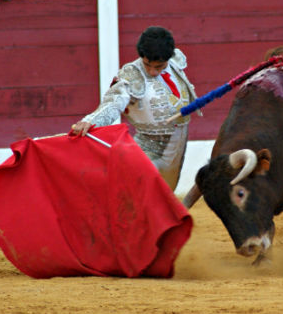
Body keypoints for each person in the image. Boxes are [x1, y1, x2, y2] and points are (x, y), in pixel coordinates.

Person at [70, 26, 199, 191]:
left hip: (178, 144)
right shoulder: (132, 75)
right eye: (147, 65)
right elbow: (113, 102)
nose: (152, 71)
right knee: (140, 192)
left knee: (166, 194)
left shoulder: (175, 61)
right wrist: (90, 120)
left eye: (158, 67)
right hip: (149, 145)